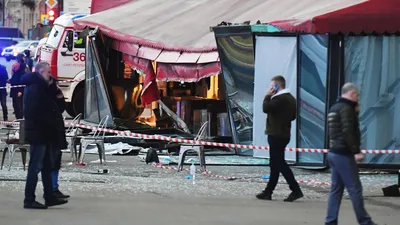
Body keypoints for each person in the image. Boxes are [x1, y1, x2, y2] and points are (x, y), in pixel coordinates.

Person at [325, 83, 376, 225]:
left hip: (333, 152)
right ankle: (365, 221)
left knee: (336, 189)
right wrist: (356, 151)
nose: (358, 98)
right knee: (355, 188)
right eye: (357, 95)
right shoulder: (347, 109)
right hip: (343, 154)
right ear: (352, 94)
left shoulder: (334, 108)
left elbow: (337, 130)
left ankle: (330, 221)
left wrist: (356, 112)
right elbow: (348, 132)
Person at [22, 61, 68, 209]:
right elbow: (34, 111)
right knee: (35, 166)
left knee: (47, 165)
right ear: (41, 73)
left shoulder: (45, 88)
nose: (51, 75)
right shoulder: (36, 88)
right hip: (39, 132)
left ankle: (50, 196)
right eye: (49, 72)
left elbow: (56, 109)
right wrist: (47, 123)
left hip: (46, 133)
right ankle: (29, 199)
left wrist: (58, 96)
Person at [256, 75, 303, 202]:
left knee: (279, 163)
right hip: (284, 134)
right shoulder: (291, 99)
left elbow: (266, 108)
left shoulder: (279, 99)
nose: (270, 88)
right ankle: (268, 191)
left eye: (272, 85)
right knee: (275, 164)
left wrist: (267, 95)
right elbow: (293, 117)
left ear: (277, 86)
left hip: (276, 134)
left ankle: (295, 189)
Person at [49, 77, 70, 199]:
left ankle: (53, 187)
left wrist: (60, 97)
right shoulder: (45, 96)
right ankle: (51, 188)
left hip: (56, 132)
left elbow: (61, 109)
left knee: (55, 160)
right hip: (50, 132)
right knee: (51, 161)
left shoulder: (54, 96)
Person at [10, 53, 26, 119]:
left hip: (18, 88)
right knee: (17, 104)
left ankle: (19, 118)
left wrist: (20, 90)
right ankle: (19, 117)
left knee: (18, 104)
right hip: (15, 88)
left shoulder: (22, 68)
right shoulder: (22, 67)